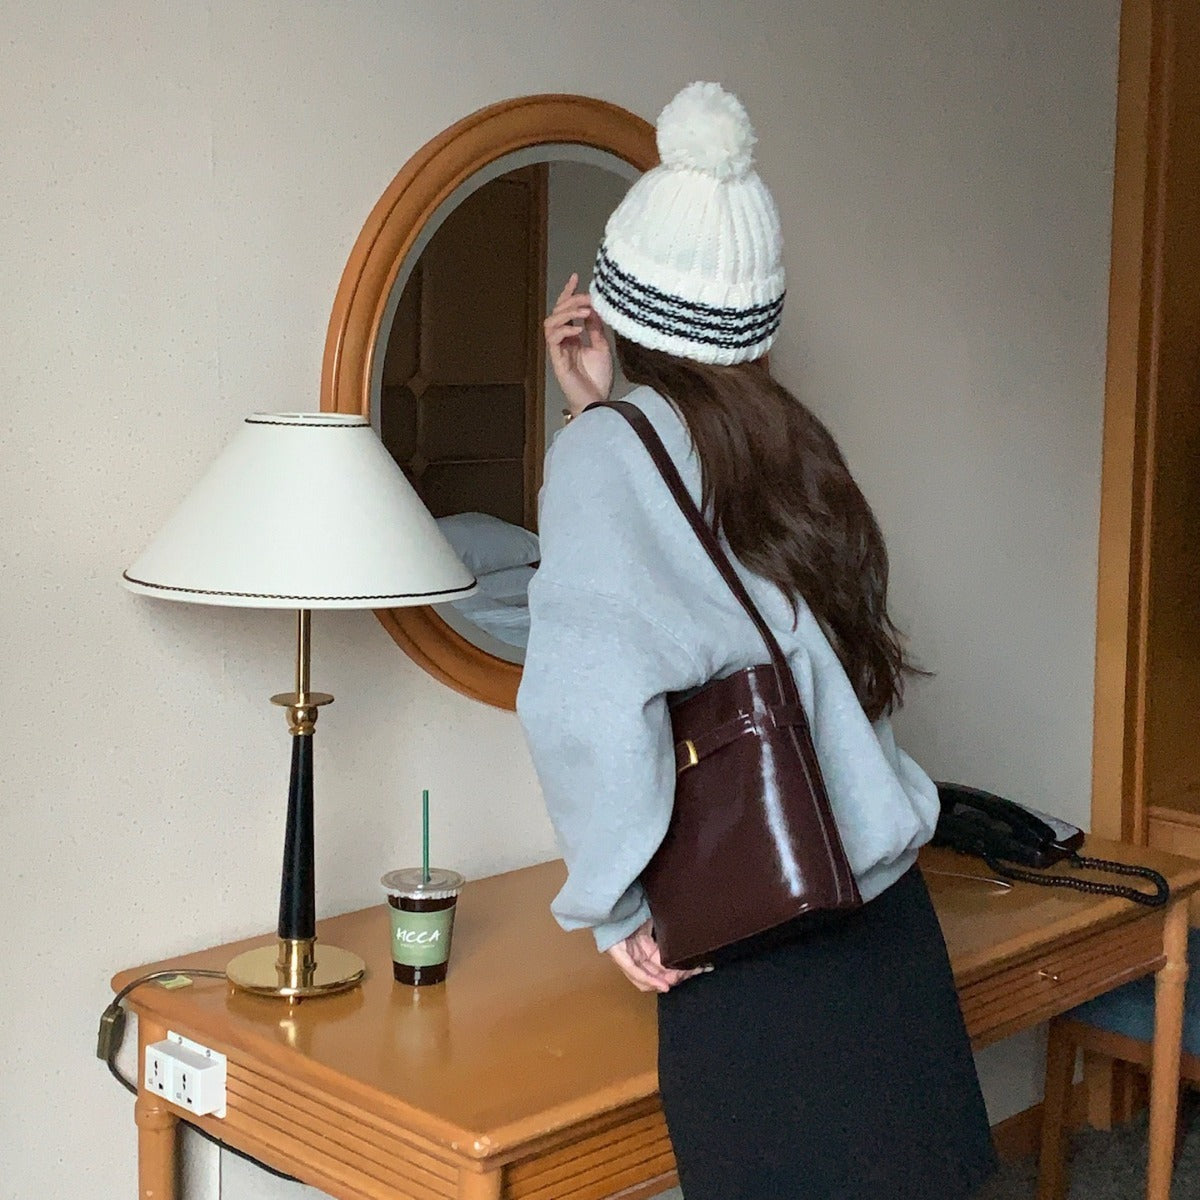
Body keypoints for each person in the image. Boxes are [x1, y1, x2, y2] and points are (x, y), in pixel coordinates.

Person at [516, 81, 996, 1200]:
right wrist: (598, 411)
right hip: (889, 929)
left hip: (758, 936)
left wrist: (614, 904)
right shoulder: (787, 441)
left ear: (621, 306)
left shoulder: (606, 461)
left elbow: (590, 706)